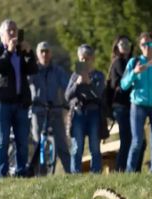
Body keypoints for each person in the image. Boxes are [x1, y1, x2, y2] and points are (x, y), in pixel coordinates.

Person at [0, 18, 38, 178]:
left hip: (21, 103)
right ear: (1, 34)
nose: (12, 33)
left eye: (15, 30)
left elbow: (33, 69)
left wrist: (29, 52)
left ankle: (21, 172)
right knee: (2, 141)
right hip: (2, 103)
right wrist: (8, 52)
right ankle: (1, 174)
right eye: (9, 30)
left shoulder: (21, 52)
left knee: (22, 141)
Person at [120, 32, 152, 173]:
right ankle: (129, 173)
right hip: (138, 105)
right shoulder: (133, 62)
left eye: (150, 44)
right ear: (139, 46)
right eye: (144, 44)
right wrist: (134, 73)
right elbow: (123, 85)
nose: (147, 47)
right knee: (136, 142)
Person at [29, 41, 70, 174]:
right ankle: (39, 175)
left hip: (55, 110)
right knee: (38, 144)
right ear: (37, 54)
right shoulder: (32, 71)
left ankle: (71, 173)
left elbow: (67, 86)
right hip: (38, 111)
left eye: (47, 51)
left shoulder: (57, 71)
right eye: (42, 51)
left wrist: (70, 100)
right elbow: (25, 85)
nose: (44, 54)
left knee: (62, 145)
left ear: (50, 53)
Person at [65, 44, 105, 173]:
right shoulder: (74, 76)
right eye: (81, 59)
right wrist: (77, 84)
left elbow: (99, 95)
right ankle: (75, 174)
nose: (84, 61)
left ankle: (96, 173)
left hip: (94, 113)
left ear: (92, 58)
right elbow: (67, 96)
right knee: (77, 147)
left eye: (87, 58)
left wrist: (89, 83)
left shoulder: (99, 75)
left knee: (94, 146)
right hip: (78, 113)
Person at [106, 35, 133, 172]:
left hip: (131, 105)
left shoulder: (131, 61)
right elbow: (126, 80)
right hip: (120, 105)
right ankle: (120, 169)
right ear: (117, 47)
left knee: (134, 139)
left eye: (128, 42)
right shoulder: (118, 62)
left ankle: (130, 169)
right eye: (122, 43)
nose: (125, 45)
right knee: (127, 139)